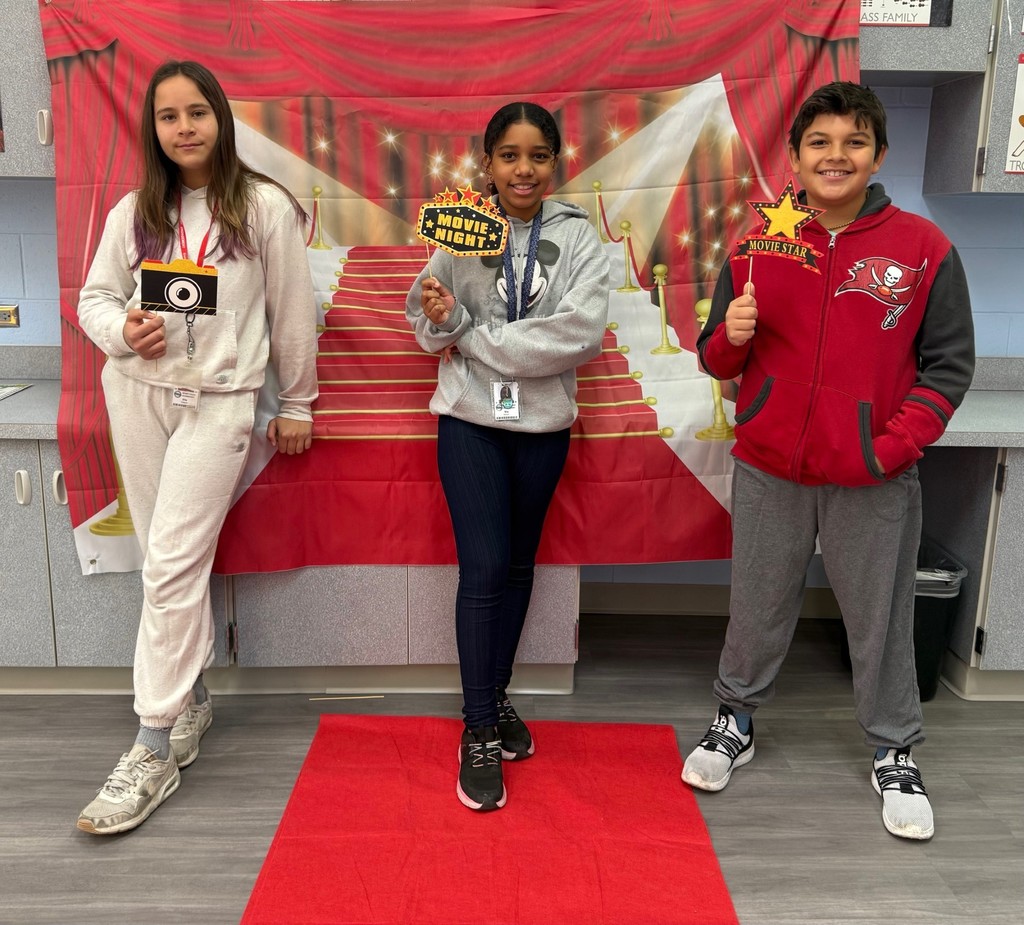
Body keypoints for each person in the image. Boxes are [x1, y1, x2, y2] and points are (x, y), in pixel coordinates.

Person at [684, 82, 974, 841]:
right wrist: (734, 333)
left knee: (880, 618)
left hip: (872, 476)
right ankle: (735, 717)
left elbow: (948, 367)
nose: (836, 155)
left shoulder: (923, 249)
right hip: (770, 462)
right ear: (797, 155)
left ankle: (894, 749)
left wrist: (891, 445)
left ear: (878, 154)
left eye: (853, 141)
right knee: (756, 602)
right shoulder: (758, 245)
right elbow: (715, 357)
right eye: (820, 142)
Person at [75, 60, 319, 834]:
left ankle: (150, 743)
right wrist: (123, 330)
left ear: (220, 116)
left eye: (196, 112)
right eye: (168, 116)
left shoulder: (264, 208)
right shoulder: (134, 211)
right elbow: (94, 298)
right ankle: (192, 700)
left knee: (174, 562)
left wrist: (300, 401)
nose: (183, 127)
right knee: (162, 561)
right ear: (153, 128)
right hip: (137, 393)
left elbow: (292, 312)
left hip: (220, 404)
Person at [406, 102, 610, 811]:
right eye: (509, 156)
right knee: (485, 567)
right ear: (487, 163)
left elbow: (577, 336)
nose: (524, 169)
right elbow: (421, 322)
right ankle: (479, 726)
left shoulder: (581, 239)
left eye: (539, 156)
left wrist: (469, 334)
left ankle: (493, 696)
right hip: (470, 421)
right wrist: (440, 319)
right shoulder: (463, 230)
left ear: (557, 163)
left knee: (520, 565)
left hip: (545, 427)